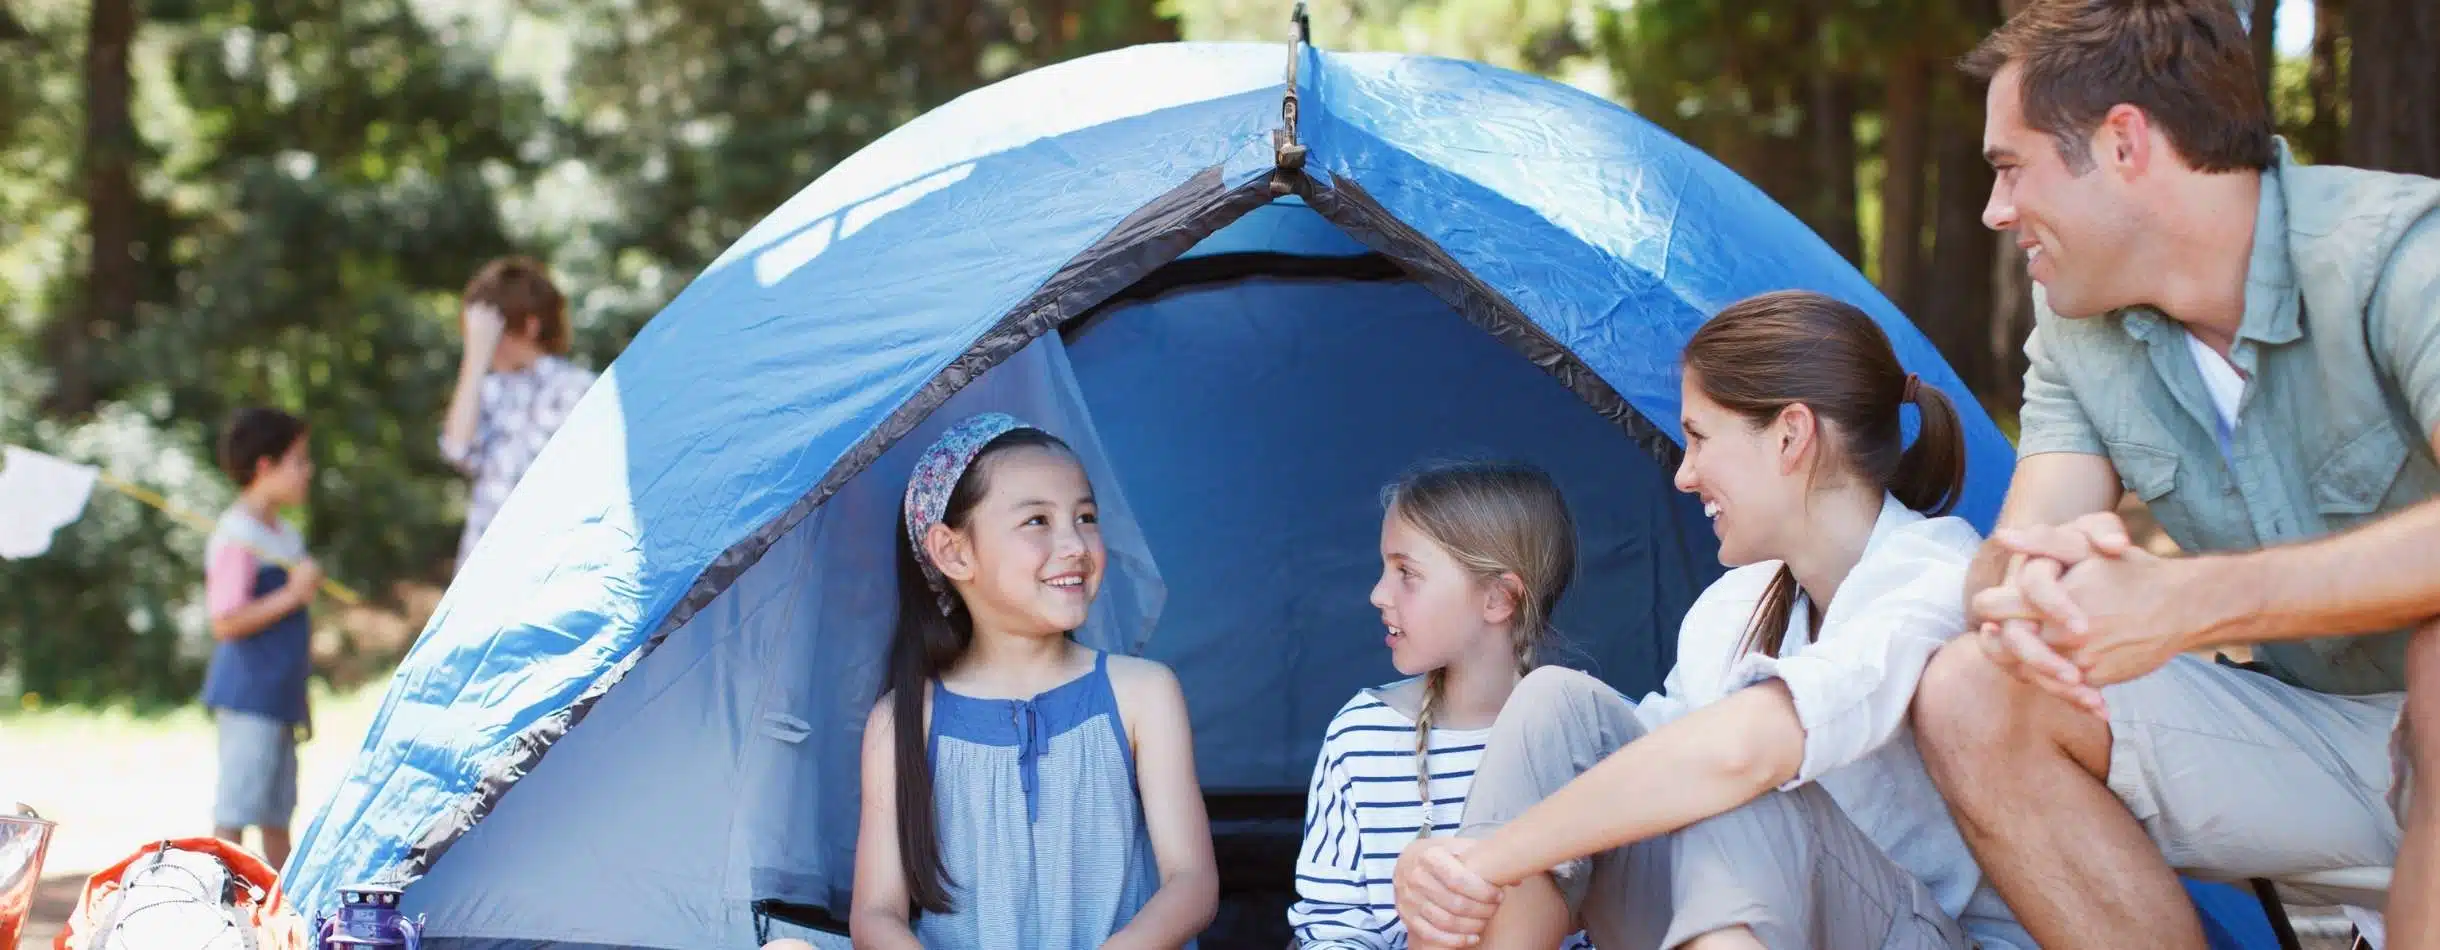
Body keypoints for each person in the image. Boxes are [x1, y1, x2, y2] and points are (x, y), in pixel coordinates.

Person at [1907, 1, 2440, 946]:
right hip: (2328, 748)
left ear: (2122, 142)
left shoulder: (2401, 255)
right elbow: (2024, 544)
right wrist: (2022, 590)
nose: (1995, 211)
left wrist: (2192, 602)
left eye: (2009, 168)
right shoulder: (2078, 329)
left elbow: (2191, 605)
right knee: (1973, 690)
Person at [1390, 291, 2030, 950]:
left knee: (1738, 781)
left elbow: (1735, 756)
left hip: (1926, 936)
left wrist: (1489, 859)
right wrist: (1449, 868)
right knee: (1554, 706)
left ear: (1791, 435)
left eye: (1698, 438)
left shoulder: (1934, 577)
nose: (1685, 476)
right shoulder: (1736, 605)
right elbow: (1640, 777)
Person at [782, 412, 1216, 950]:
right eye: (1037, 521)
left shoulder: (1143, 693)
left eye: (1085, 517)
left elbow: (1192, 884)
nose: (1075, 545)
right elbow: (876, 913)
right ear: (954, 552)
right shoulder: (903, 718)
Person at [1288, 460, 1592, 950]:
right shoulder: (1359, 735)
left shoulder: (1594, 735)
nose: (1377, 594)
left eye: (1406, 572)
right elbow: (1331, 930)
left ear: (1498, 598)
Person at [202, 407, 322, 869]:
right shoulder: (238, 534)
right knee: (236, 810)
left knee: (277, 814)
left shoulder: (285, 535)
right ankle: (217, 904)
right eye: (298, 461)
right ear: (264, 467)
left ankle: (282, 912)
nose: (306, 472)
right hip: (249, 695)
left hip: (279, 697)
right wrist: (293, 594)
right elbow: (226, 621)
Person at [438, 255, 597, 570]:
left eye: (492, 331)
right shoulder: (488, 390)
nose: (484, 342)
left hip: (547, 567)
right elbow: (456, 449)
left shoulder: (578, 389)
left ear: (530, 325)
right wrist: (474, 361)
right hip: (483, 567)